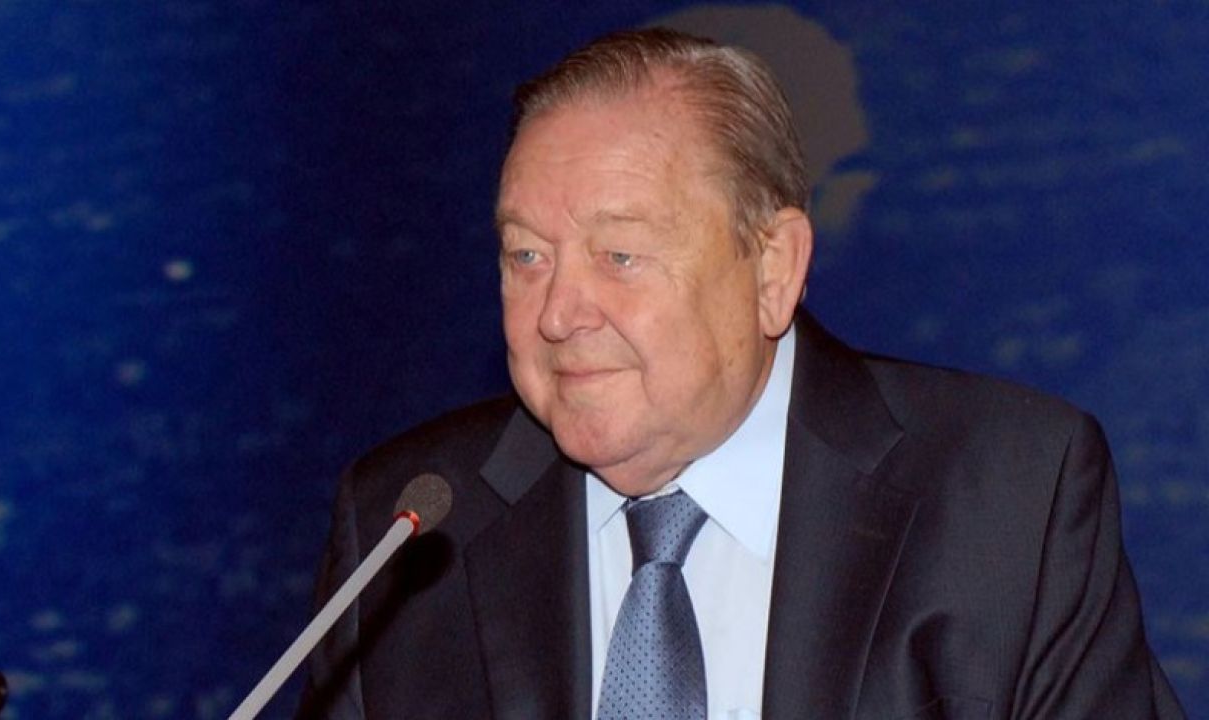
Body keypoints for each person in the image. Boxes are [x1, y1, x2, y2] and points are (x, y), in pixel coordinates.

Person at [297, 28, 1185, 719]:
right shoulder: (406, 532)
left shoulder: (1009, 496)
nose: (558, 313)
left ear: (772, 269)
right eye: (527, 255)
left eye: (619, 254)